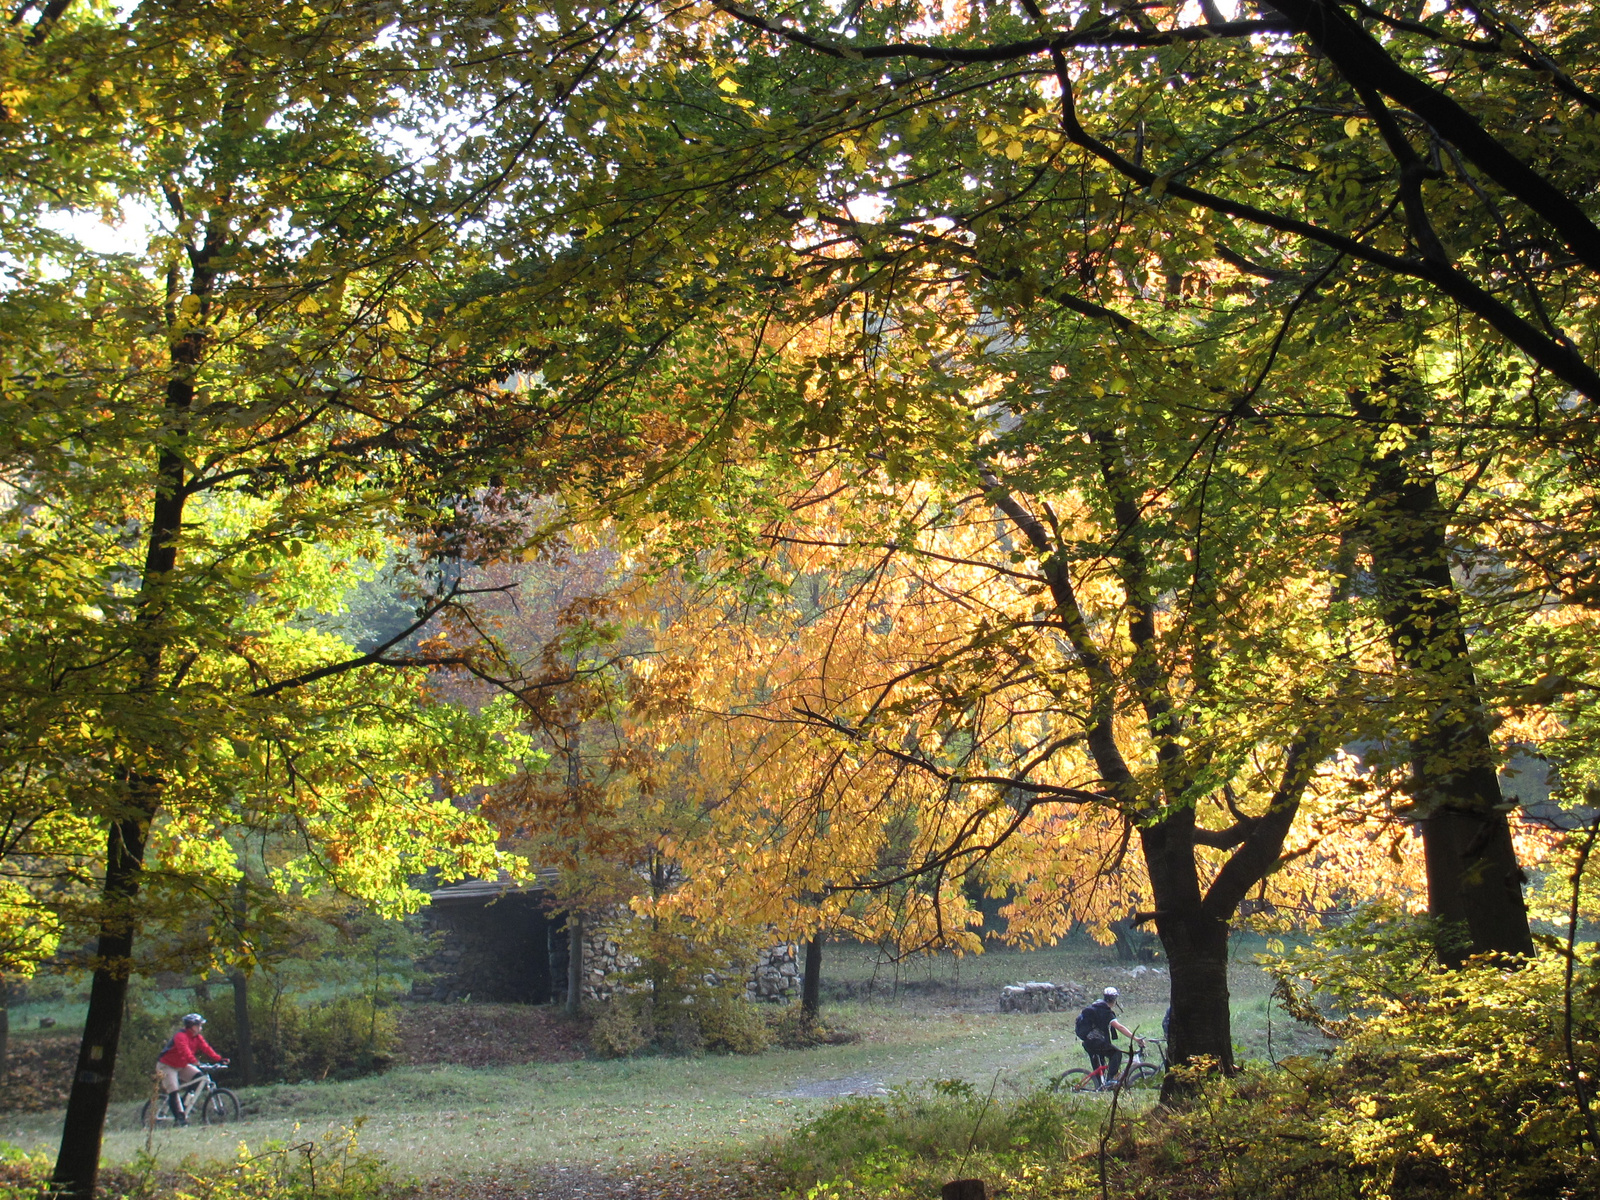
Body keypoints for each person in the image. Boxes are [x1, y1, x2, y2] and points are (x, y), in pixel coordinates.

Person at [156, 1013, 226, 1125]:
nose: (201, 1028)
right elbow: (185, 1052)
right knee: (173, 1090)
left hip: (181, 1065)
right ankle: (180, 1119)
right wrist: (196, 1062)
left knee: (198, 1078)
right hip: (166, 1066)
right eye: (199, 1025)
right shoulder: (180, 1036)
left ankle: (183, 1104)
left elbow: (206, 1048)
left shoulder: (197, 1037)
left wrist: (219, 1059)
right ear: (192, 1026)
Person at [1077, 986, 1141, 1088]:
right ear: (1115, 1000)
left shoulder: (1095, 1007)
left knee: (1099, 1067)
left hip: (1087, 1042)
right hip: (1096, 1042)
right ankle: (1111, 1080)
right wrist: (1136, 1038)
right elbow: (1119, 1027)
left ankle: (1100, 1087)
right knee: (1116, 1053)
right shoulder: (1105, 1011)